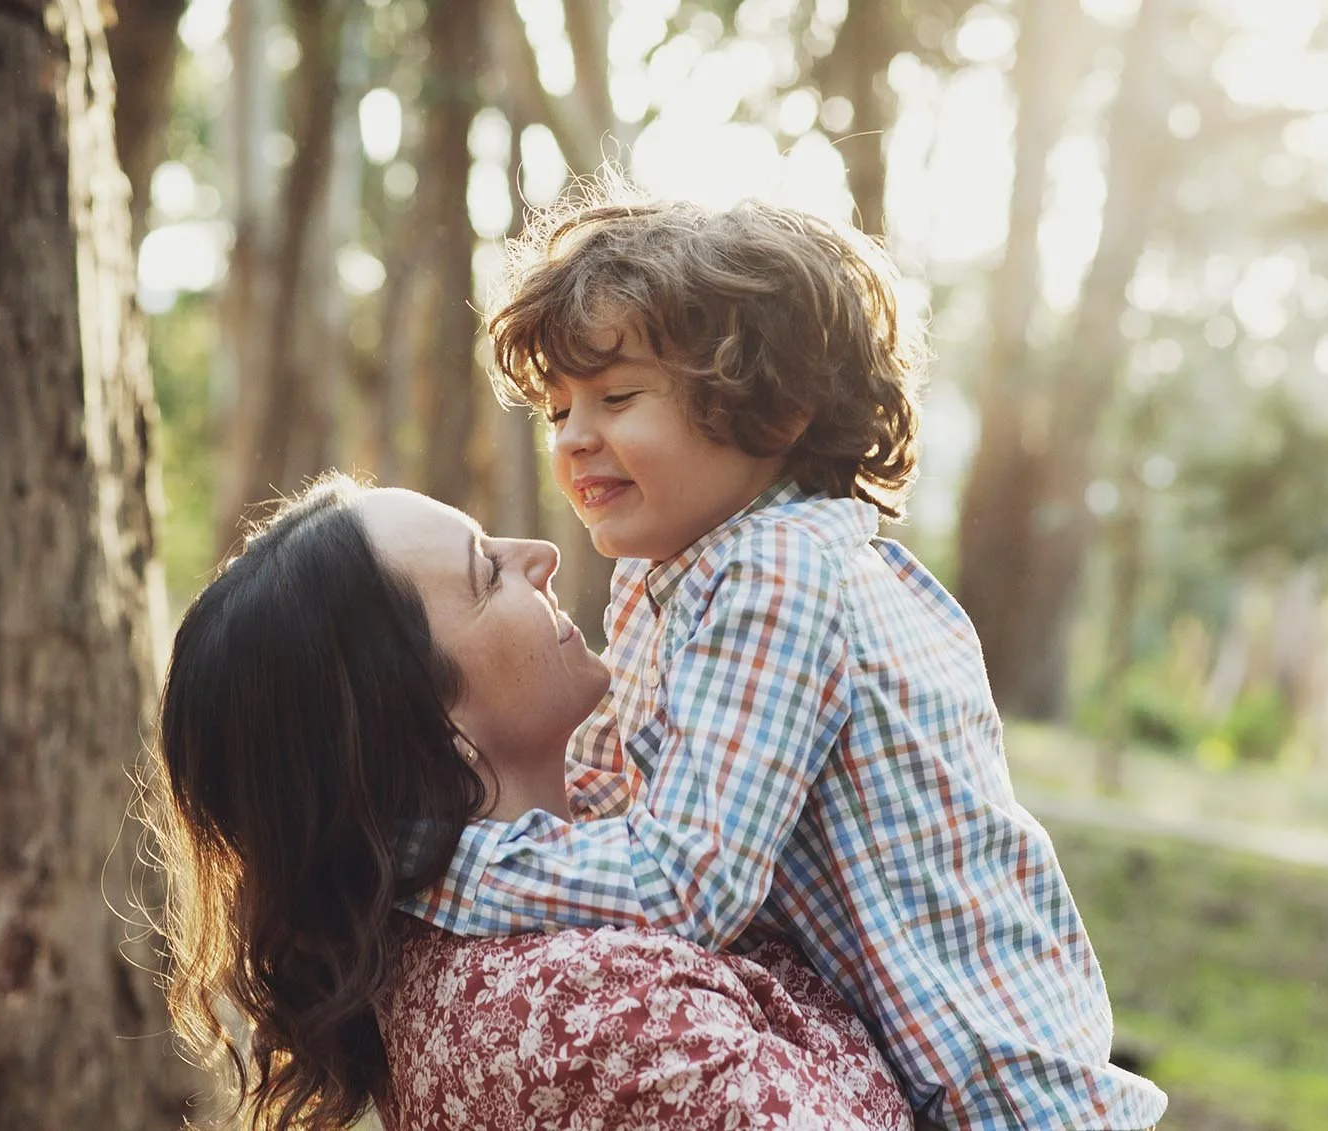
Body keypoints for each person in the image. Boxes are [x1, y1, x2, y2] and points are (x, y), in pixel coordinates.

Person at [401, 196, 1168, 1130]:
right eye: (559, 407)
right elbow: (607, 791)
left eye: (618, 398)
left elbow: (683, 883)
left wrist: (441, 860)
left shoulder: (778, 572)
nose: (570, 436)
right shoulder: (664, 572)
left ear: (775, 406)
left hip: (998, 1093)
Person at [145, 474, 913, 1131]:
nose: (540, 556)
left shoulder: (584, 865)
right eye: (487, 573)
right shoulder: (571, 1010)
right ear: (433, 732)